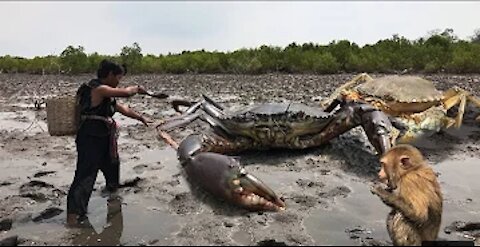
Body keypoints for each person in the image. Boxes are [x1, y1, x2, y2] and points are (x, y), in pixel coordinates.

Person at [66, 60, 151, 226]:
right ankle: (74, 215)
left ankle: (112, 197)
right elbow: (126, 93)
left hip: (104, 138)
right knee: (85, 176)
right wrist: (137, 88)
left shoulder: (107, 94)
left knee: (112, 166)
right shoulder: (97, 89)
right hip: (90, 138)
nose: (119, 81)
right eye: (118, 77)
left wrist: (140, 117)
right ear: (110, 74)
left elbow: (121, 108)